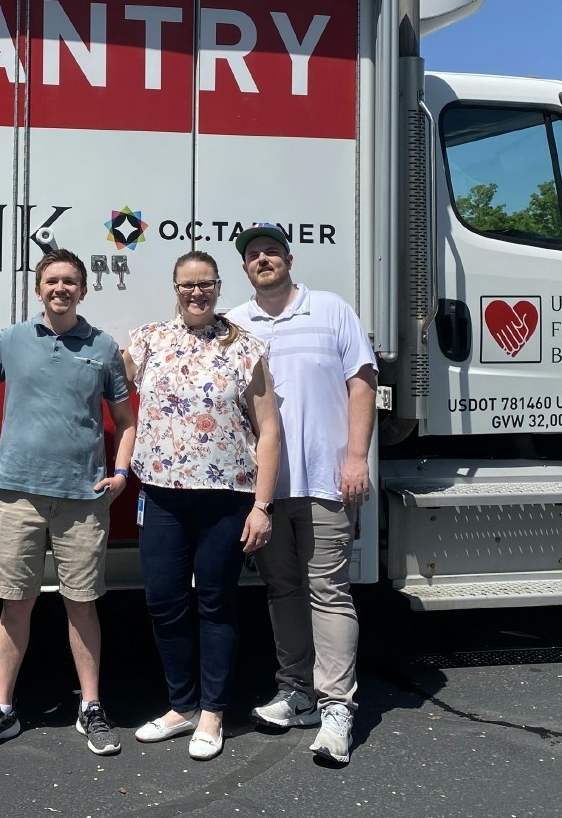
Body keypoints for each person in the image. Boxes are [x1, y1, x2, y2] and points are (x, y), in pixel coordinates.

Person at [0, 249, 137, 758]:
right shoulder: (13, 339)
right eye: (51, 281)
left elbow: (126, 421)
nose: (60, 288)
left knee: (82, 604)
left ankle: (92, 707)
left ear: (83, 290)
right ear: (38, 290)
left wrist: (121, 472)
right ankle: (2, 710)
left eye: (70, 282)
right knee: (16, 603)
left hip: (82, 498)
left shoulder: (103, 347)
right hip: (17, 494)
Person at [225, 224, 377, 765]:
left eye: (270, 252)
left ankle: (337, 705)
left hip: (323, 479)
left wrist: (356, 458)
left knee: (328, 590)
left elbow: (362, 382)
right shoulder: (235, 325)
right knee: (282, 589)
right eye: (252, 256)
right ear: (244, 269)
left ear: (289, 259)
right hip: (265, 488)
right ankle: (296, 691)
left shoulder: (331, 309)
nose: (262, 260)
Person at [124, 250, 280, 761]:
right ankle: (182, 706)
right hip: (162, 499)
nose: (197, 293)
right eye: (188, 285)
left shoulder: (245, 347)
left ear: (217, 287)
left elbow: (269, 429)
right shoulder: (149, 340)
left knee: (215, 603)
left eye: (206, 284)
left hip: (226, 498)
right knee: (165, 603)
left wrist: (262, 506)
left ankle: (213, 713)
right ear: (174, 287)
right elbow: (101, 383)